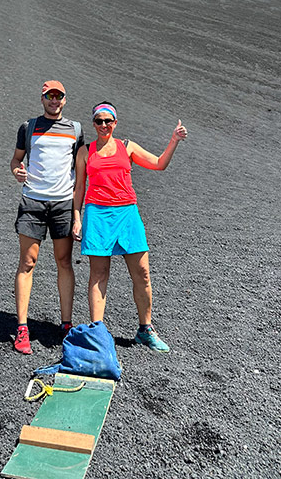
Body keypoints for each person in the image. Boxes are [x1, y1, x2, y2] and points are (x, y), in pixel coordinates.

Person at [72, 102, 187, 352]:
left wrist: (174, 140)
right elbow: (79, 188)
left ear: (115, 123)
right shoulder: (85, 151)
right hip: (98, 215)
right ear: (93, 123)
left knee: (142, 273)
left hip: (127, 214)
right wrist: (77, 217)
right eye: (99, 121)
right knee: (98, 275)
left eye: (108, 121)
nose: (104, 125)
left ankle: (145, 329)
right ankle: (97, 333)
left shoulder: (127, 147)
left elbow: (158, 163)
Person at [10, 81, 84, 354]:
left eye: (59, 96)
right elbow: (16, 160)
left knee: (64, 261)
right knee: (27, 262)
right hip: (33, 202)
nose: (54, 101)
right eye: (49, 96)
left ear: (65, 99)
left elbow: (80, 172)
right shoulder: (28, 127)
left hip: (63, 204)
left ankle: (66, 325)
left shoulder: (75, 130)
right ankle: (21, 327)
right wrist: (16, 170)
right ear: (42, 99)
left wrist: (78, 213)